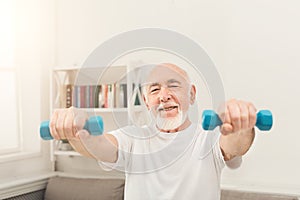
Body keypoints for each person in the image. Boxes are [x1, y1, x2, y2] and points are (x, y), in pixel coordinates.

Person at [49, 63, 257, 200]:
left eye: (173, 86)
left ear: (191, 95)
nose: (164, 96)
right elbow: (98, 146)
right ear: (147, 101)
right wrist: (77, 127)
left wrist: (242, 124)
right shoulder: (132, 138)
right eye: (155, 90)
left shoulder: (209, 138)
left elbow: (235, 145)